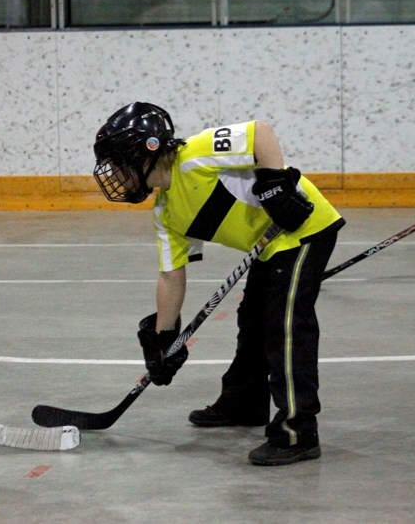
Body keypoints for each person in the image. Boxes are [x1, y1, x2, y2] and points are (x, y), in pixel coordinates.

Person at [92, 102, 345, 466]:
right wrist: (164, 340)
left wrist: (275, 184)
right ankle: (244, 403)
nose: (114, 174)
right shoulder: (166, 213)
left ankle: (297, 431)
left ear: (144, 151)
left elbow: (260, 132)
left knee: (285, 324)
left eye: (117, 163)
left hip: (304, 228)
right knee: (253, 320)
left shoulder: (196, 154)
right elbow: (171, 275)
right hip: (269, 244)